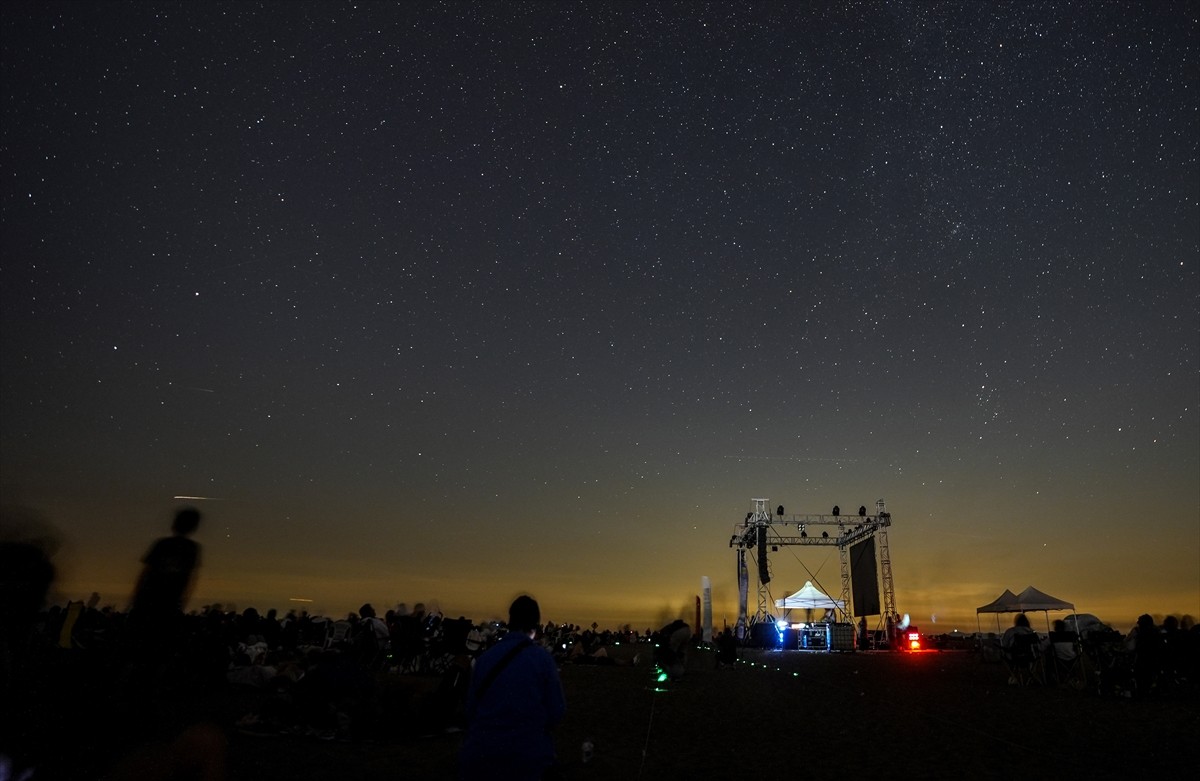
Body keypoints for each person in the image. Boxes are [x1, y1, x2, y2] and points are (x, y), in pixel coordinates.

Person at [459, 595, 565, 780]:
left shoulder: (485, 659)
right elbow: (557, 711)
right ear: (536, 625)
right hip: (526, 757)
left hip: (480, 753)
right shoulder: (542, 659)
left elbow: (470, 710)